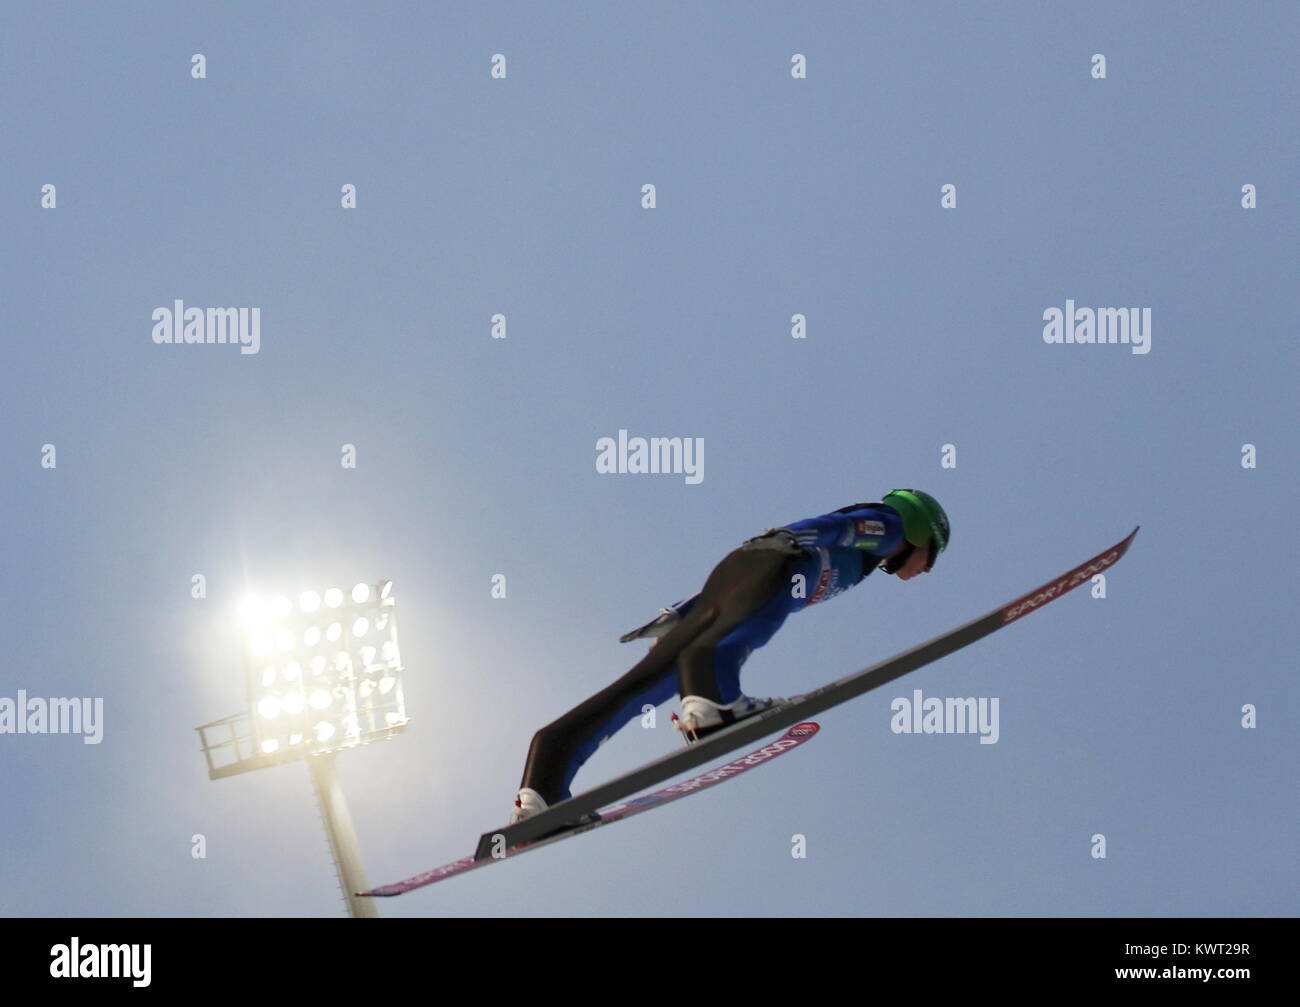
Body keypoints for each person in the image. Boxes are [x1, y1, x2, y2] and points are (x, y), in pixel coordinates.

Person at [509, 489, 950, 823]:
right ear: (920, 531)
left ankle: (542, 791)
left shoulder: (867, 561)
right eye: (931, 556)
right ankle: (713, 705)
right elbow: (838, 525)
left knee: (638, 689)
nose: (925, 570)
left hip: (744, 569)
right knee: (752, 626)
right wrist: (789, 539)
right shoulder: (887, 526)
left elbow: (727, 592)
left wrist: (682, 613)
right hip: (775, 564)